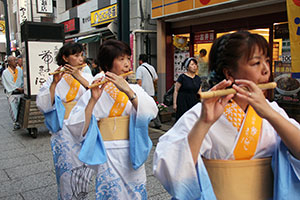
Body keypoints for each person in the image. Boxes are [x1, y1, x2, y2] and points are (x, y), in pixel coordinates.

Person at [153, 31, 300, 200]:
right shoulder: (200, 115)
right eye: (256, 63)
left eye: (267, 61)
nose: (266, 70)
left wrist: (271, 115)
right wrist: (204, 123)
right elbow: (171, 169)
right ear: (229, 73)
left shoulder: (273, 111)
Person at [65, 39, 158, 199]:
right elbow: (76, 125)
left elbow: (151, 112)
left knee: (135, 192)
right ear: (107, 64)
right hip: (107, 152)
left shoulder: (134, 89)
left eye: (128, 58)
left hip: (132, 148)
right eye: (121, 59)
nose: (127, 64)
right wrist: (93, 100)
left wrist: (129, 92)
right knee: (111, 192)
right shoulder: (95, 90)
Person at [36, 42, 95, 199]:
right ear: (65, 57)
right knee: (67, 168)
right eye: (76, 55)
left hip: (83, 126)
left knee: (84, 168)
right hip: (64, 130)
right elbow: (43, 105)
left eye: (81, 55)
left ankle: (81, 195)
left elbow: (96, 95)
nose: (80, 59)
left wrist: (79, 77)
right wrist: (54, 83)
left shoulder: (87, 76)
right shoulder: (53, 78)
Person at [136, 54, 161, 128]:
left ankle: (144, 123)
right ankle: (157, 123)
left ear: (140, 61)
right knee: (153, 106)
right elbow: (156, 78)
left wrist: (138, 91)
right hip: (151, 91)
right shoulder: (151, 67)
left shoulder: (140, 68)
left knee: (142, 107)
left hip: (143, 92)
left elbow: (139, 81)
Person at [1, 55, 24, 130]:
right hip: (12, 93)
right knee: (13, 109)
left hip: (21, 92)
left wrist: (23, 87)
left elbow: (22, 80)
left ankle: (21, 121)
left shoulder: (19, 70)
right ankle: (16, 122)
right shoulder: (5, 72)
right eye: (14, 60)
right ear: (9, 62)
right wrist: (17, 88)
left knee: (21, 108)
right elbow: (8, 83)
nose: (16, 62)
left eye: (16, 60)